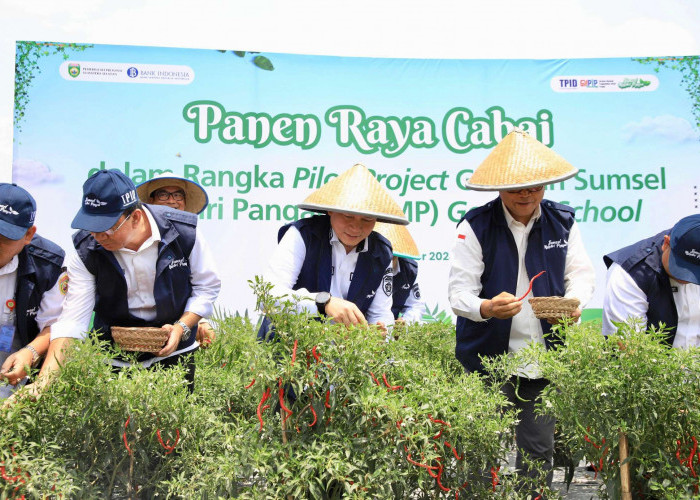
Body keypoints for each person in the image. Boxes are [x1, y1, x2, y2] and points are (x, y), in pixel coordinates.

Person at [448, 129, 595, 491]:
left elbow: (580, 275)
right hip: (485, 359)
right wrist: (485, 307)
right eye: (517, 188)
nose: (527, 195)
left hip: (542, 359)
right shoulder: (476, 225)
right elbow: (458, 292)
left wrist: (574, 304)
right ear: (499, 188)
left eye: (535, 187)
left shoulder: (563, 221)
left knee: (537, 451)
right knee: (480, 449)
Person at [42, 169, 220, 392]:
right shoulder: (86, 250)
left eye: (106, 228)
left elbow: (206, 286)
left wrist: (181, 327)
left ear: (135, 217)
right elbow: (72, 321)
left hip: (176, 353)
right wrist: (42, 383)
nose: (97, 236)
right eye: (91, 227)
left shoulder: (184, 232)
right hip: (113, 357)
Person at [259, 164, 407, 338]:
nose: (356, 227)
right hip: (288, 348)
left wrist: (382, 331)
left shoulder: (381, 252)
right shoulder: (303, 235)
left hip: (343, 357)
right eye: (348, 216)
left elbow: (380, 313)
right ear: (331, 210)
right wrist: (323, 303)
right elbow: (267, 297)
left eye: (367, 219)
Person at [0, 183, 65, 398]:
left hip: (14, 381)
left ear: (28, 235)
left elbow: (56, 325)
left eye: (4, 238)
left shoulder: (49, 265)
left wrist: (31, 351)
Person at [136, 172, 216, 346]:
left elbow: (205, 285)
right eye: (163, 194)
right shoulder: (134, 235)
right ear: (149, 202)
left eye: (178, 195)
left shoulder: (192, 236)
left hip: (180, 343)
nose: (172, 201)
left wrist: (195, 322)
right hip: (131, 341)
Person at [602, 214, 700, 347]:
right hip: (655, 366)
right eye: (680, 266)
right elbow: (628, 348)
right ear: (666, 243)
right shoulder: (630, 272)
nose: (686, 278)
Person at [373, 222, 425, 324]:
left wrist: (406, 321)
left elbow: (416, 305)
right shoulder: (362, 265)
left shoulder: (408, 270)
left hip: (392, 332)